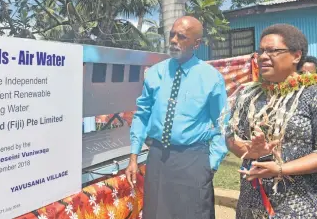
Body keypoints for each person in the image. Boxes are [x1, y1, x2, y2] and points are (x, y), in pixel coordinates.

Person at [125, 16, 229, 219]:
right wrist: (133, 155)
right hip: (157, 157)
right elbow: (142, 114)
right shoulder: (155, 73)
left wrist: (212, 162)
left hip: (193, 159)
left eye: (181, 36)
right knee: (156, 213)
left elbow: (223, 123)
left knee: (193, 213)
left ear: (196, 43)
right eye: (172, 34)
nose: (173, 40)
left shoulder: (210, 77)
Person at [226, 24, 317, 218]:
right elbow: (231, 137)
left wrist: (280, 169)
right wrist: (249, 151)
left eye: (273, 51)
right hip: (252, 202)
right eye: (261, 51)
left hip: (299, 206)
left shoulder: (312, 95)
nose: (263, 56)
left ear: (296, 56)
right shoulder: (249, 95)